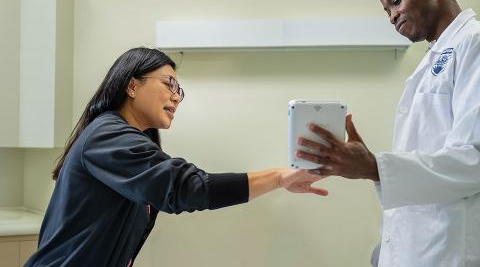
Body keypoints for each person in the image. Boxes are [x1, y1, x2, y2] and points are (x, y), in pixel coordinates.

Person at [25, 47, 328, 267]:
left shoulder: (126, 142)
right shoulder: (107, 136)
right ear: (132, 85)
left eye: (179, 90)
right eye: (168, 84)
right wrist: (277, 178)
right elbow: (186, 187)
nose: (175, 97)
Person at [295, 0, 480, 267]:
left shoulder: (473, 43)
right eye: (386, 10)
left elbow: (473, 159)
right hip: (419, 248)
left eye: (396, 1)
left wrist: (374, 167)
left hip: (449, 252)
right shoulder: (434, 57)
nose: (391, 16)